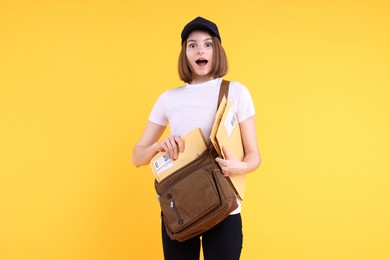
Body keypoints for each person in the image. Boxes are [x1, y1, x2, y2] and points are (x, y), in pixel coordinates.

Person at [132, 16, 261, 260]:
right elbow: (136, 156)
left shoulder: (236, 92)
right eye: (192, 45)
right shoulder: (169, 99)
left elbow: (255, 155)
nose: (200, 50)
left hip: (224, 207)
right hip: (181, 207)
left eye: (207, 44)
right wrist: (158, 146)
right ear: (185, 53)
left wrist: (240, 166)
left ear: (217, 50)